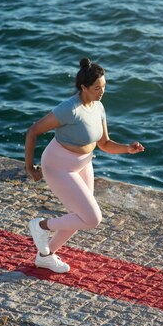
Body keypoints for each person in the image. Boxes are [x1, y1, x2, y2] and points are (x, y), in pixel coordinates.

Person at [24, 57, 145, 273]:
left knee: (77, 217)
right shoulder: (68, 109)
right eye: (97, 88)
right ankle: (41, 225)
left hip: (83, 164)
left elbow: (105, 144)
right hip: (58, 165)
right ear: (83, 87)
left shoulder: (98, 107)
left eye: (104, 87)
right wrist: (30, 168)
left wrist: (128, 148)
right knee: (91, 218)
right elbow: (33, 131)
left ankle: (45, 255)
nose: (102, 92)